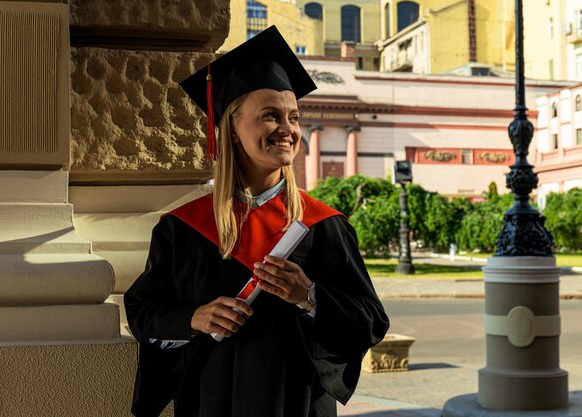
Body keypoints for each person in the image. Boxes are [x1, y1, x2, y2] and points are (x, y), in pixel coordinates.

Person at [124, 26, 389, 417]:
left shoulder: (323, 226)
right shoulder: (182, 228)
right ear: (232, 128)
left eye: (294, 117)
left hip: (297, 405)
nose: (288, 129)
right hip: (209, 403)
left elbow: (370, 322)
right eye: (270, 115)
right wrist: (193, 318)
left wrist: (309, 296)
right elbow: (143, 312)